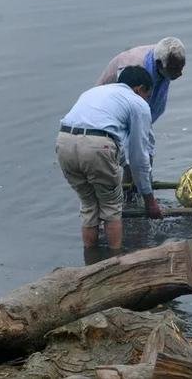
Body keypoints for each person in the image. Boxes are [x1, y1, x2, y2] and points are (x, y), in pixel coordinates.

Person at [56, 66, 163, 250]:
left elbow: (119, 146)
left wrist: (117, 164)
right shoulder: (137, 103)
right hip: (97, 145)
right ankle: (114, 266)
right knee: (112, 208)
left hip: (64, 142)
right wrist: (149, 200)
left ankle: (91, 264)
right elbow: (138, 156)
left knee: (89, 207)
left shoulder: (94, 92)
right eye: (147, 95)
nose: (147, 100)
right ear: (139, 89)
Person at [96, 37, 186, 198]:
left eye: (181, 67)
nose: (180, 74)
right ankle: (130, 198)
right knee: (131, 160)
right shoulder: (134, 67)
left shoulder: (165, 54)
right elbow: (127, 107)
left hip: (140, 112)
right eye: (174, 70)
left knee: (143, 156)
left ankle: (137, 192)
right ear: (159, 65)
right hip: (112, 116)